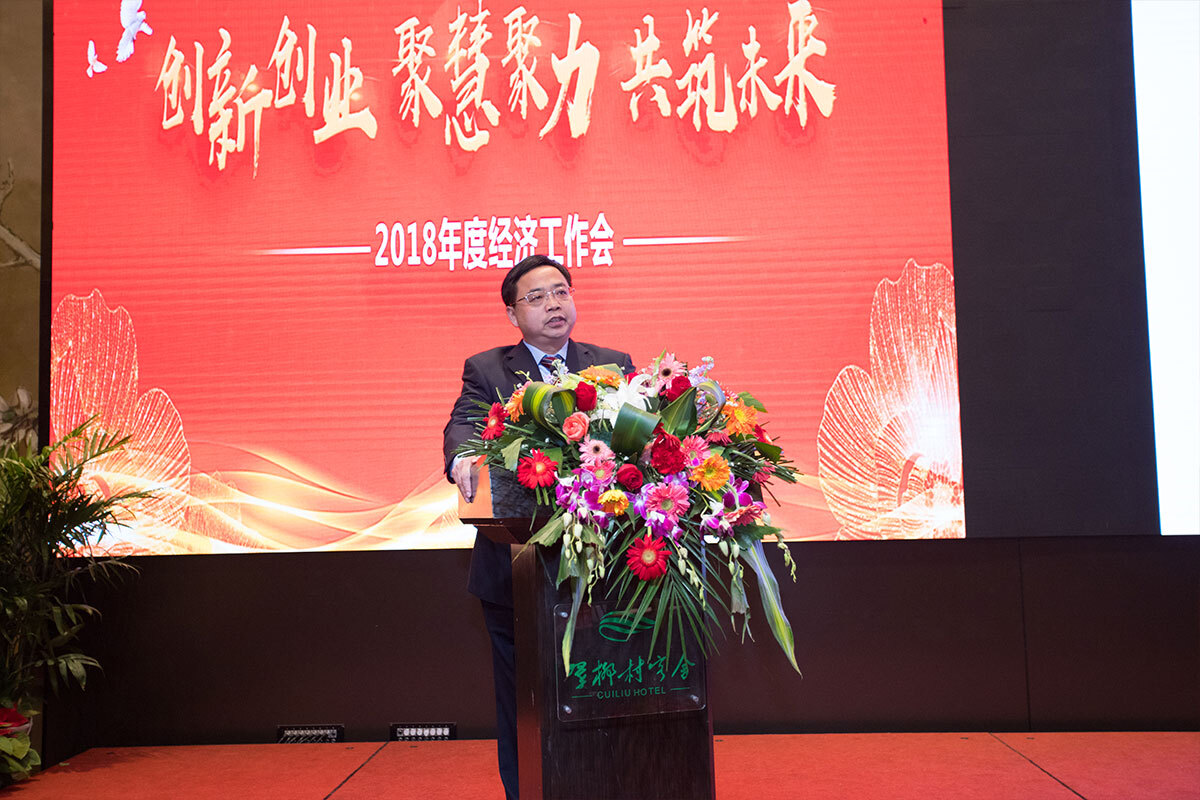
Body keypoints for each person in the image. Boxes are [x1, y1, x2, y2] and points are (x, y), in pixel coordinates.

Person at [443, 254, 633, 800]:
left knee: (605, 695)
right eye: (537, 296)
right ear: (512, 314)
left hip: (604, 570)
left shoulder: (612, 364)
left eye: (561, 292)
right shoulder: (487, 369)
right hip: (515, 570)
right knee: (522, 704)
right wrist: (463, 456)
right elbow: (464, 424)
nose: (554, 304)